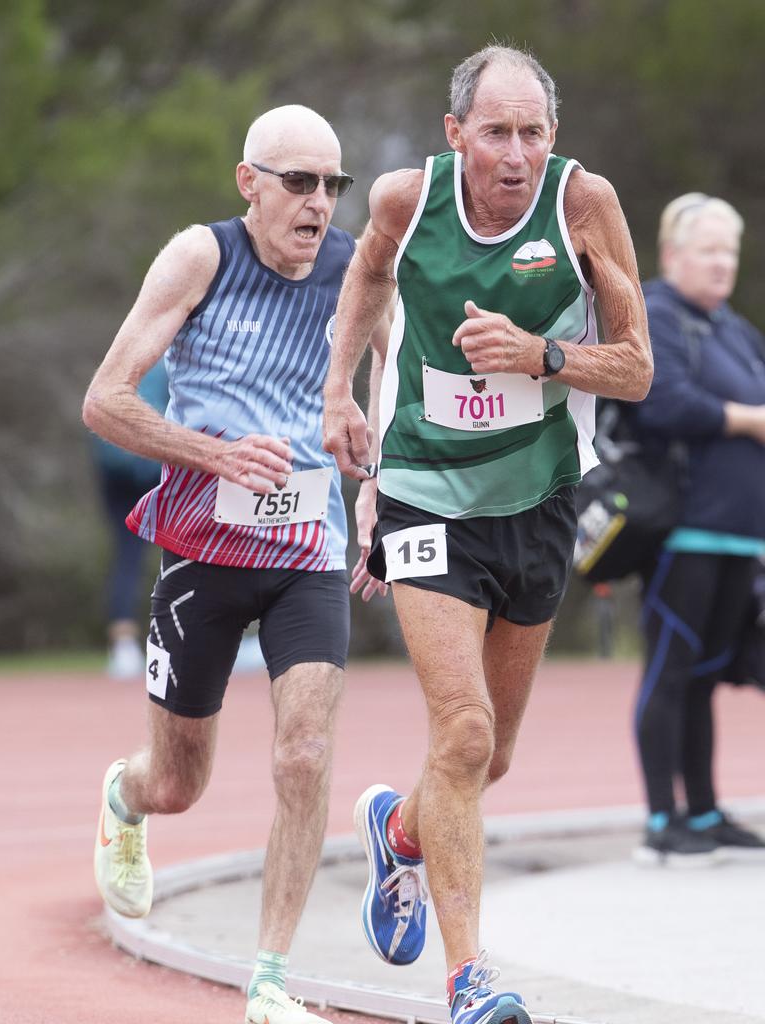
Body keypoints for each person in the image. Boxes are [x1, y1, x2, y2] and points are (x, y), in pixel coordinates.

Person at [323, 45, 652, 1024]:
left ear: (553, 138)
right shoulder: (401, 201)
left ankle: (403, 829)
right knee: (460, 730)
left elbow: (635, 369)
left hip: (540, 497)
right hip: (427, 491)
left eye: (533, 133)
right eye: (496, 131)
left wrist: (541, 353)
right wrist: (338, 392)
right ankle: (472, 979)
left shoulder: (583, 205)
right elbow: (367, 281)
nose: (515, 153)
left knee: (489, 756)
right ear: (455, 132)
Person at [83, 104, 383, 1024]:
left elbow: (393, 386)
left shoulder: (360, 269)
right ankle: (123, 799)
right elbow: (105, 402)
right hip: (203, 544)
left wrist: (372, 487)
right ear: (248, 183)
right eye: (300, 182)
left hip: (308, 551)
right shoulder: (198, 258)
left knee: (305, 751)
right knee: (181, 784)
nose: (320, 204)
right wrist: (215, 454)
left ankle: (270, 979)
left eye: (334, 185)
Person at [628, 193, 765, 865]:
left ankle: (705, 813)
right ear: (674, 253)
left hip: (742, 536)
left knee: (707, 677)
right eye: (709, 249)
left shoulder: (733, 329)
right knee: (669, 673)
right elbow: (662, 402)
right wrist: (747, 420)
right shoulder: (657, 315)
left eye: (730, 252)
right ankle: (661, 819)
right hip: (682, 533)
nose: (722, 263)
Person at [89, 361, 169, 678]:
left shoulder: (118, 354)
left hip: (112, 466)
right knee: (194, 545)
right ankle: (200, 639)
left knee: (127, 556)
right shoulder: (173, 361)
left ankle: (123, 647)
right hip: (154, 462)